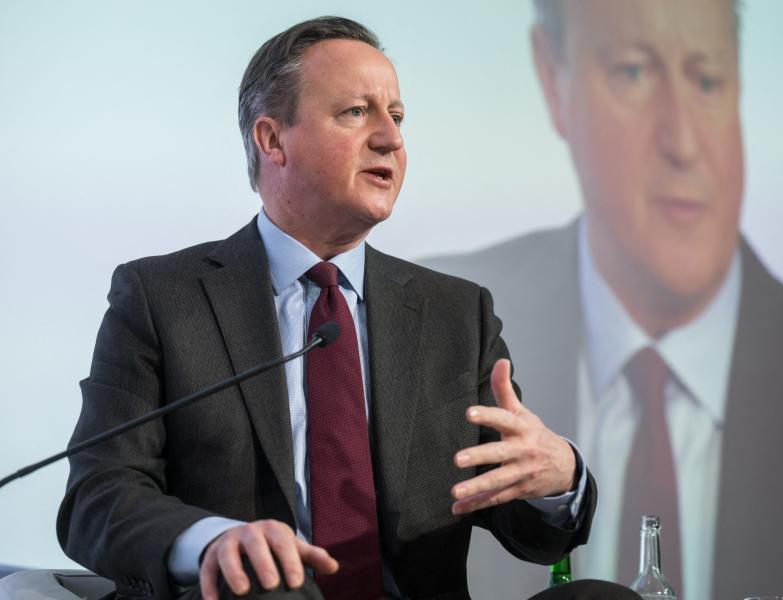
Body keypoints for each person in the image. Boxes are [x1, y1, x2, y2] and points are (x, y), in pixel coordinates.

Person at [56, 16, 640, 600]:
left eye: (398, 116)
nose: (391, 138)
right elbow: (98, 495)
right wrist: (212, 542)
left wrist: (558, 478)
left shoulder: (455, 314)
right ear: (272, 140)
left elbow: (531, 532)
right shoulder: (163, 298)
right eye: (356, 113)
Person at [424, 1, 783, 598]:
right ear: (553, 80)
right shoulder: (439, 332)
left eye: (707, 80)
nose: (682, 142)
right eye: (633, 72)